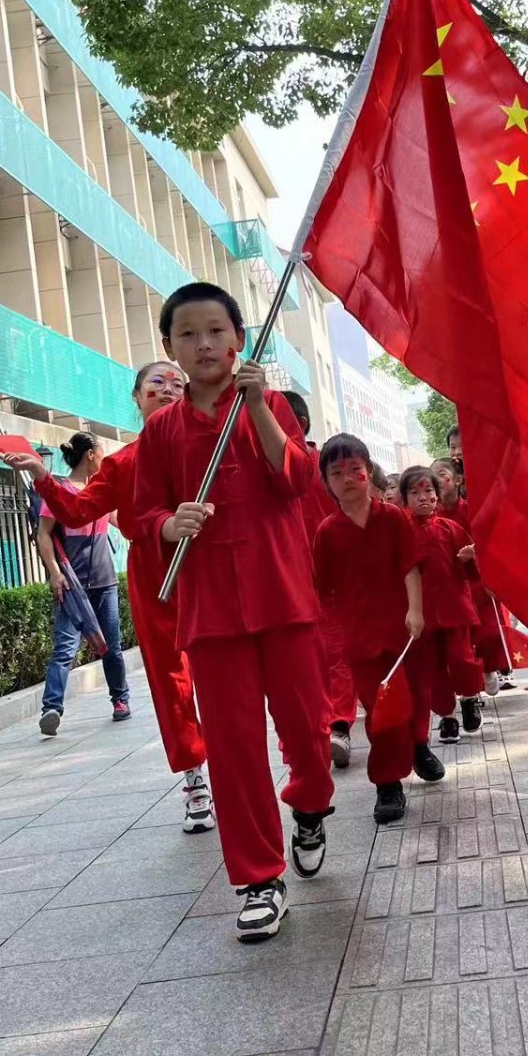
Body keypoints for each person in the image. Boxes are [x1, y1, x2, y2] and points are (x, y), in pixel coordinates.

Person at [134, 282, 335, 941]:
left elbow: (296, 478)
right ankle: (259, 879)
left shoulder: (267, 404)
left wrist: (255, 405)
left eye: (216, 330)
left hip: (282, 597)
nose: (204, 344)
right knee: (234, 750)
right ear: (170, 347)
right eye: (188, 334)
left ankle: (310, 805)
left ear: (239, 339)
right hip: (212, 612)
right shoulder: (161, 431)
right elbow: (142, 513)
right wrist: (169, 525)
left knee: (308, 734)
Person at [5, 364, 214, 833]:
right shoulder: (122, 463)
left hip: (211, 570)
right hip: (154, 575)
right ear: (137, 398)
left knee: (222, 673)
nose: (168, 389)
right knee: (171, 680)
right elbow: (77, 509)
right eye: (156, 384)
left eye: (177, 384)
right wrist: (41, 475)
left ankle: (234, 767)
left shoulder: (211, 447)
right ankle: (195, 779)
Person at [314, 434, 426, 823]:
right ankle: (387, 784)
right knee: (379, 712)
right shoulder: (327, 532)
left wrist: (416, 610)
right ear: (326, 482)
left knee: (414, 700)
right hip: (359, 639)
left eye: (355, 469)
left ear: (369, 472)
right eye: (337, 472)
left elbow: (410, 567)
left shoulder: (393, 518)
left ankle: (419, 746)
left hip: (403, 629)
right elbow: (322, 591)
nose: (347, 478)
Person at [33, 433, 132, 731]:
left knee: (111, 645)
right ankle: (51, 708)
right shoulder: (60, 491)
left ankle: (120, 699)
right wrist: (55, 573)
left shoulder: (102, 490)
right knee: (65, 647)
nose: (105, 457)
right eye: (102, 451)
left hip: (105, 580)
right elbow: (43, 534)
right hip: (72, 584)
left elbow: (122, 522)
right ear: (90, 454)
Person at [280, 391, 357, 770]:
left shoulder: (326, 467)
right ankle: (317, 729)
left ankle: (338, 726)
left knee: (337, 654)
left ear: (300, 424)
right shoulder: (263, 469)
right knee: (306, 663)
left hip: (330, 580)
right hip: (285, 584)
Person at [400, 466, 486, 747]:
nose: (423, 497)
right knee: (434, 668)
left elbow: (472, 569)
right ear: (405, 498)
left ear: (437, 495)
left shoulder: (450, 528)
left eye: (428, 491)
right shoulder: (402, 532)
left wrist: (469, 558)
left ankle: (470, 697)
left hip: (454, 607)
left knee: (462, 659)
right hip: (424, 615)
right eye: (415, 493)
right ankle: (447, 717)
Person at [434, 457, 508, 691]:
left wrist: (476, 552)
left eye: (442, 474)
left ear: (458, 480)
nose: (437, 479)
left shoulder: (472, 510)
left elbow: (490, 541)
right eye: (433, 475)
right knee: (462, 640)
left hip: (477, 581)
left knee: (489, 632)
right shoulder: (431, 516)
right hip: (450, 586)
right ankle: (470, 685)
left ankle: (489, 669)